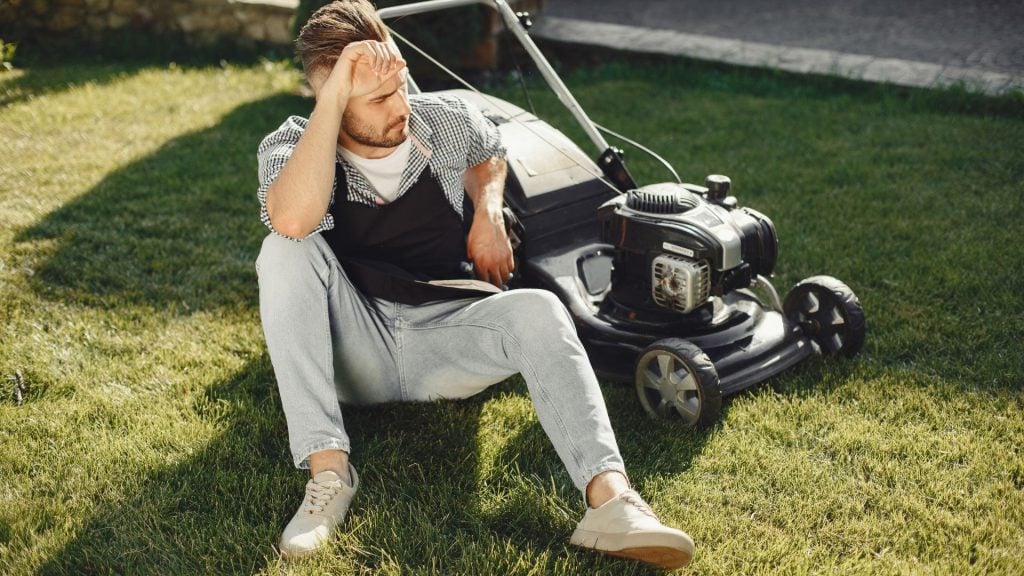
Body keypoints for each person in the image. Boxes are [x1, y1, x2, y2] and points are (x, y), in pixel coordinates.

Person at [255, 0, 694, 569]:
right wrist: (334, 98)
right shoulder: (290, 146)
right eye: (379, 98)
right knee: (284, 250)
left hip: (445, 341)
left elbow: (489, 147)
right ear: (331, 100)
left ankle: (610, 503)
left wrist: (487, 210)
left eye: (402, 86)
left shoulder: (439, 121)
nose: (402, 107)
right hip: (352, 353)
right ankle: (330, 474)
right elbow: (293, 219)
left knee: (538, 308)